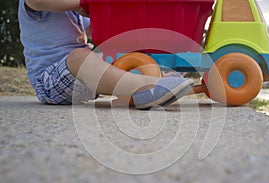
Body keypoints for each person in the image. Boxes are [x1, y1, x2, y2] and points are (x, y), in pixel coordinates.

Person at [18, 0, 194, 109]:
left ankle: (147, 86)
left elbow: (100, 28)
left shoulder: (74, 10)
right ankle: (147, 86)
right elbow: (38, 1)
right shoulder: (35, 4)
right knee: (80, 56)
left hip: (84, 81)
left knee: (118, 54)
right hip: (49, 80)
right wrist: (81, 2)